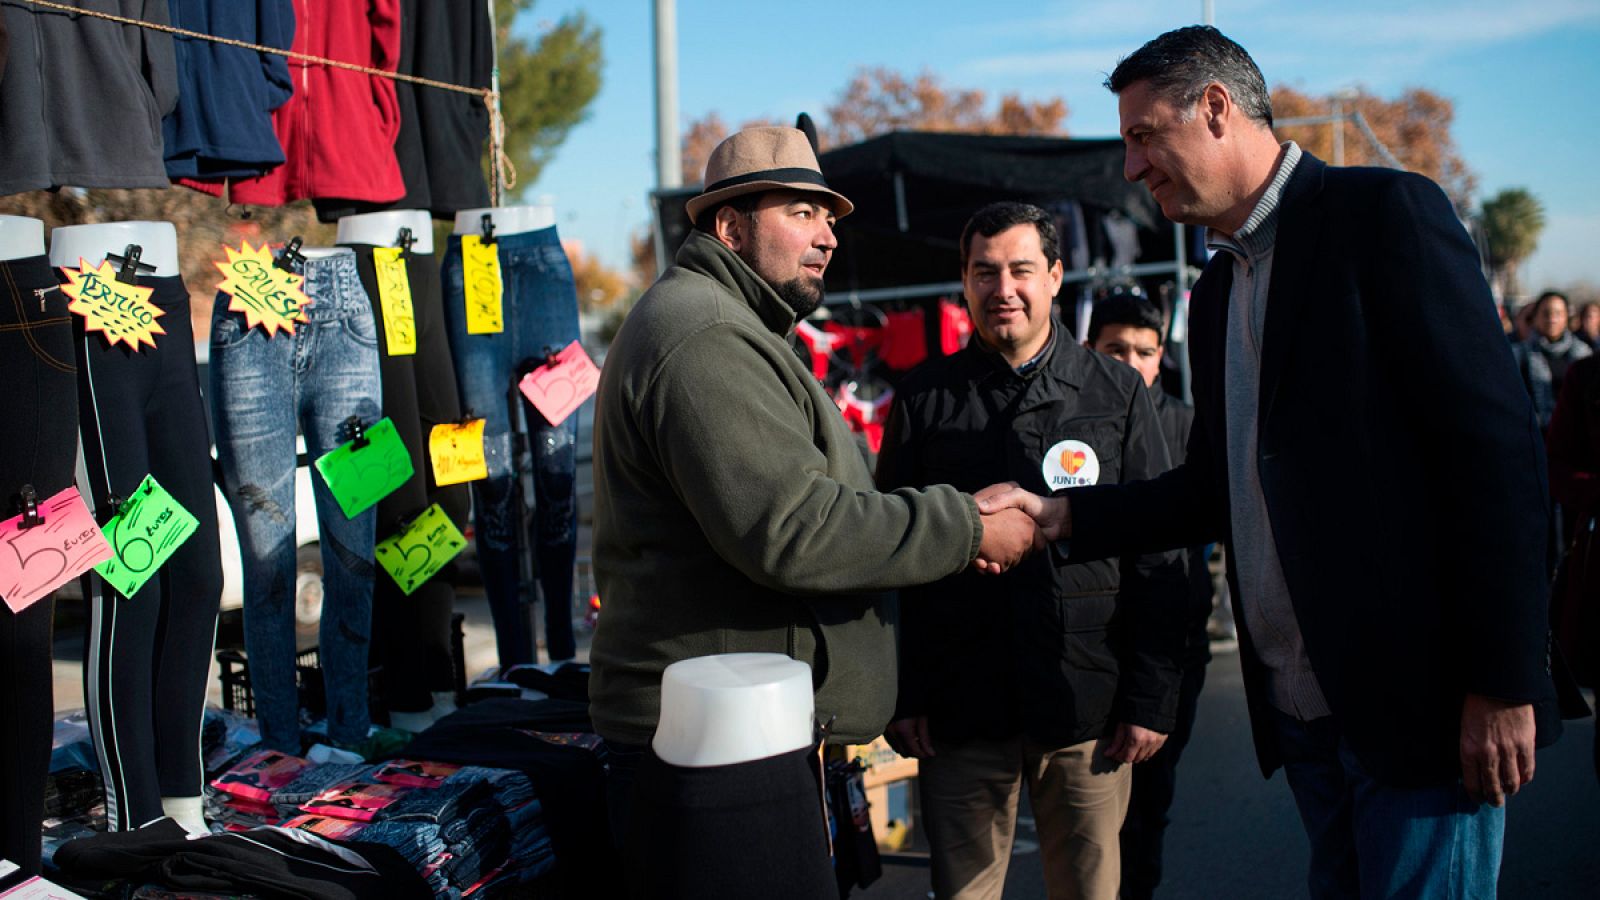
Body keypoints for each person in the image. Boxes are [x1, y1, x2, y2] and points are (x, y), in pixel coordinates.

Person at [977, 26, 1562, 898]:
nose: (1132, 167)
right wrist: (1062, 515)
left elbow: (1497, 461)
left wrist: (1504, 680)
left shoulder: (1385, 217)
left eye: (1143, 136)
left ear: (1216, 108)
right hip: (1304, 718)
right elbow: (1214, 487)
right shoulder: (1217, 294)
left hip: (1421, 711)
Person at [589, 127, 1036, 838]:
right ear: (730, 227)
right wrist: (967, 526)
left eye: (828, 217)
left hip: (739, 730)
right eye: (801, 213)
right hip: (715, 747)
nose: (827, 235)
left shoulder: (737, 326)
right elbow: (796, 529)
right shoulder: (705, 336)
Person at [875, 204, 1186, 900]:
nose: (1002, 288)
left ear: (1055, 276)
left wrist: (1152, 697)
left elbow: (1161, 554)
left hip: (1086, 711)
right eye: (984, 272)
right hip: (961, 711)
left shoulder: (1116, 394)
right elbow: (891, 557)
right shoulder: (924, 399)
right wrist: (904, 693)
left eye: (1020, 270)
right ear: (963, 282)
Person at [1084, 292, 1214, 900]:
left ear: (1162, 357)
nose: (1131, 362)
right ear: (1091, 351)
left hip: (1170, 654)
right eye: (1116, 350)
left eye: (1144, 351)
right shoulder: (1076, 424)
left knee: (1147, 811)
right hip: (1093, 654)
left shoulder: (1191, 427)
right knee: (1088, 825)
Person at [1512, 290, 1593, 431]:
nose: (1552, 318)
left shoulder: (1583, 355)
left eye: (1558, 313)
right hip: (1532, 434)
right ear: (1535, 317)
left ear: (1567, 317)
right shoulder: (1519, 355)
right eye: (1546, 313)